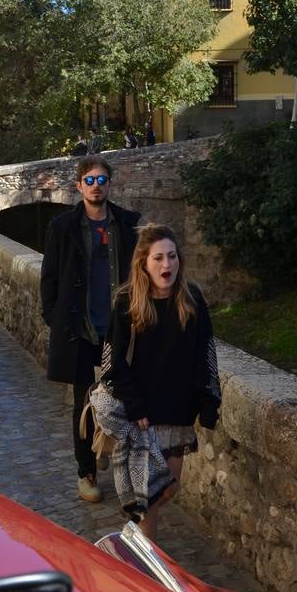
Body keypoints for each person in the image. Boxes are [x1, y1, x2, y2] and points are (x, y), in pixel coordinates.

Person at [101, 223, 220, 540]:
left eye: (171, 256)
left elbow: (205, 352)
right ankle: (148, 570)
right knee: (150, 500)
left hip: (179, 413)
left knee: (170, 489)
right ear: (143, 262)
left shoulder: (191, 298)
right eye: (158, 258)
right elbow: (113, 361)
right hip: (143, 416)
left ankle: (135, 544)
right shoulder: (128, 301)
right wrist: (134, 403)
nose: (166, 265)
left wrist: (209, 403)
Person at [40, 156, 140, 503]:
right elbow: (49, 275)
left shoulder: (128, 224)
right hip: (80, 328)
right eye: (90, 181)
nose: (96, 186)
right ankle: (86, 472)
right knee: (83, 401)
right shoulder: (63, 227)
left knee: (122, 398)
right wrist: (54, 316)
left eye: (102, 180)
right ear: (79, 185)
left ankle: (116, 456)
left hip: (118, 329)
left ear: (109, 185)